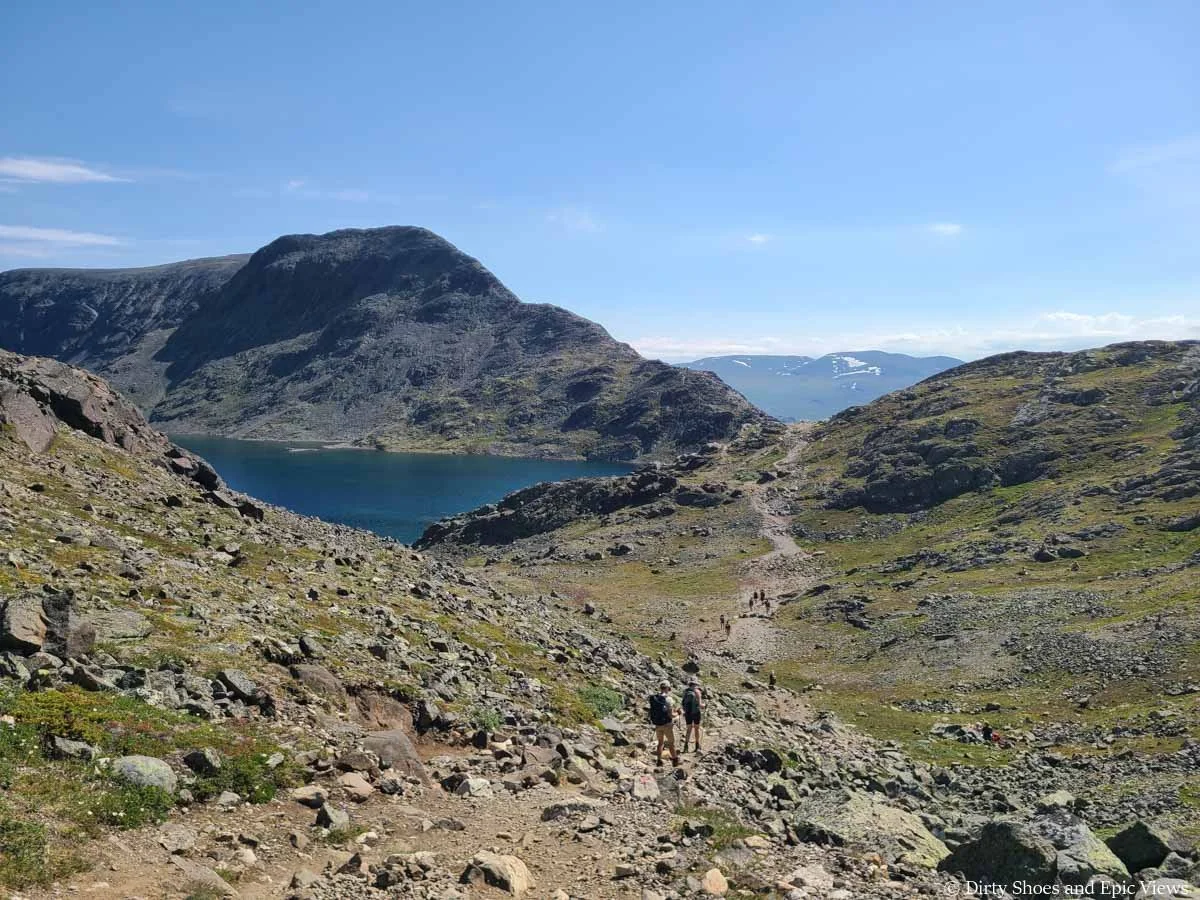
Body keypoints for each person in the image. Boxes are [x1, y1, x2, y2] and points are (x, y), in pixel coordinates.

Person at [649, 680, 680, 767]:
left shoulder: (655, 698)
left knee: (660, 743)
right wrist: (678, 713)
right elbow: (671, 715)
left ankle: (659, 761)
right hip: (667, 725)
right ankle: (675, 761)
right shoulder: (668, 699)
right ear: (668, 688)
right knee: (671, 743)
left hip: (657, 724)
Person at [681, 675, 704, 753]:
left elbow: (683, 703)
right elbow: (700, 705)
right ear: (696, 683)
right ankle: (697, 746)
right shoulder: (697, 692)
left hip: (688, 713)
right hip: (696, 713)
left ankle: (685, 746)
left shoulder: (685, 691)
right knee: (696, 729)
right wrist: (704, 705)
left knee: (688, 729)